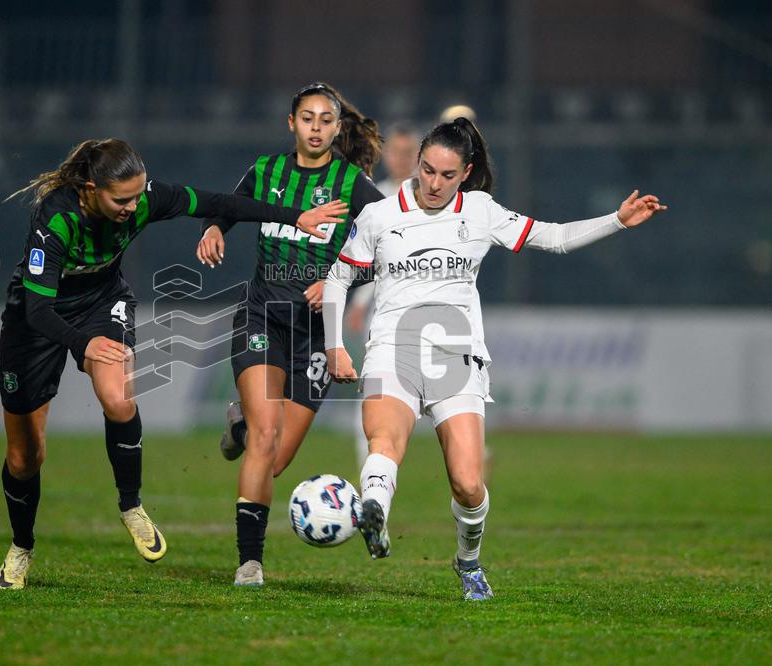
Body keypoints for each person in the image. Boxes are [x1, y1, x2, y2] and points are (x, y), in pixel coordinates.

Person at [322, 117, 666, 600]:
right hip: (391, 350)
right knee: (385, 440)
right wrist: (335, 344)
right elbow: (338, 279)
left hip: (456, 357)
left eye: (446, 174)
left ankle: (468, 561)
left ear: (465, 174)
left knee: (467, 482)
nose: (434, 183)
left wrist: (616, 220)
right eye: (427, 170)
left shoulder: (480, 211)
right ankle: (374, 513)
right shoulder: (382, 214)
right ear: (417, 163)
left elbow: (553, 237)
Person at [0, 137, 347, 590]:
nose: (131, 206)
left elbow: (219, 201)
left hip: (101, 303)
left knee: (119, 399)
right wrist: (83, 344)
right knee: (26, 457)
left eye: (138, 196)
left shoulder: (144, 199)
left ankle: (131, 505)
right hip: (37, 318)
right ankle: (22, 546)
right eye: (120, 199)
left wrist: (294, 217)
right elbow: (38, 311)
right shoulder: (57, 218)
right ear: (90, 188)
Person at [196, 82, 383, 586]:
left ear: (338, 128)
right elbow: (230, 206)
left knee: (274, 459)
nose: (316, 128)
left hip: (317, 338)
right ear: (291, 123)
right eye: (307, 118)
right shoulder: (266, 172)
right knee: (266, 436)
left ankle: (237, 426)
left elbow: (388, 250)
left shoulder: (355, 185)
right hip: (263, 319)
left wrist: (339, 277)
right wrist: (214, 228)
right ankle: (249, 563)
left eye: (326, 120)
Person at [346, 122, 420, 466]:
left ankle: (473, 457)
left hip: (430, 309)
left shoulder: (432, 196)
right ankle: (370, 475)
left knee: (443, 394)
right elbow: (368, 255)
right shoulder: (375, 197)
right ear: (385, 156)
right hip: (386, 310)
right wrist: (360, 301)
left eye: (409, 152)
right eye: (396, 152)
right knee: (377, 391)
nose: (402, 158)